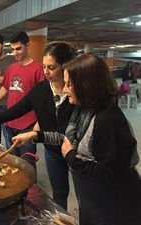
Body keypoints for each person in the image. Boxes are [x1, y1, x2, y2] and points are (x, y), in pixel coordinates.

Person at [16, 54, 140, 225]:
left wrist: (71, 158)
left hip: (113, 203)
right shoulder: (85, 108)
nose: (65, 90)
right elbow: (68, 138)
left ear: (86, 85)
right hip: (92, 194)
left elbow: (111, 173)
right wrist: (37, 135)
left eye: (69, 84)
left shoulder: (107, 120)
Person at [0, 42, 76, 210]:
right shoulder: (41, 89)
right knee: (59, 193)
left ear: (66, 66)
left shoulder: (76, 92)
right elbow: (18, 108)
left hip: (76, 151)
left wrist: (35, 134)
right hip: (52, 151)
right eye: (44, 67)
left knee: (84, 196)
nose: (46, 72)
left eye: (52, 67)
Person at [0, 31, 45, 170]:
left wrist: (38, 123)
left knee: (28, 162)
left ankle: (30, 192)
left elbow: (43, 100)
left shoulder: (38, 69)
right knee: (13, 160)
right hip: (10, 123)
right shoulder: (12, 68)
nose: (15, 52)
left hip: (27, 125)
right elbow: (4, 90)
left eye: (18, 48)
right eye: (12, 49)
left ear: (27, 45)